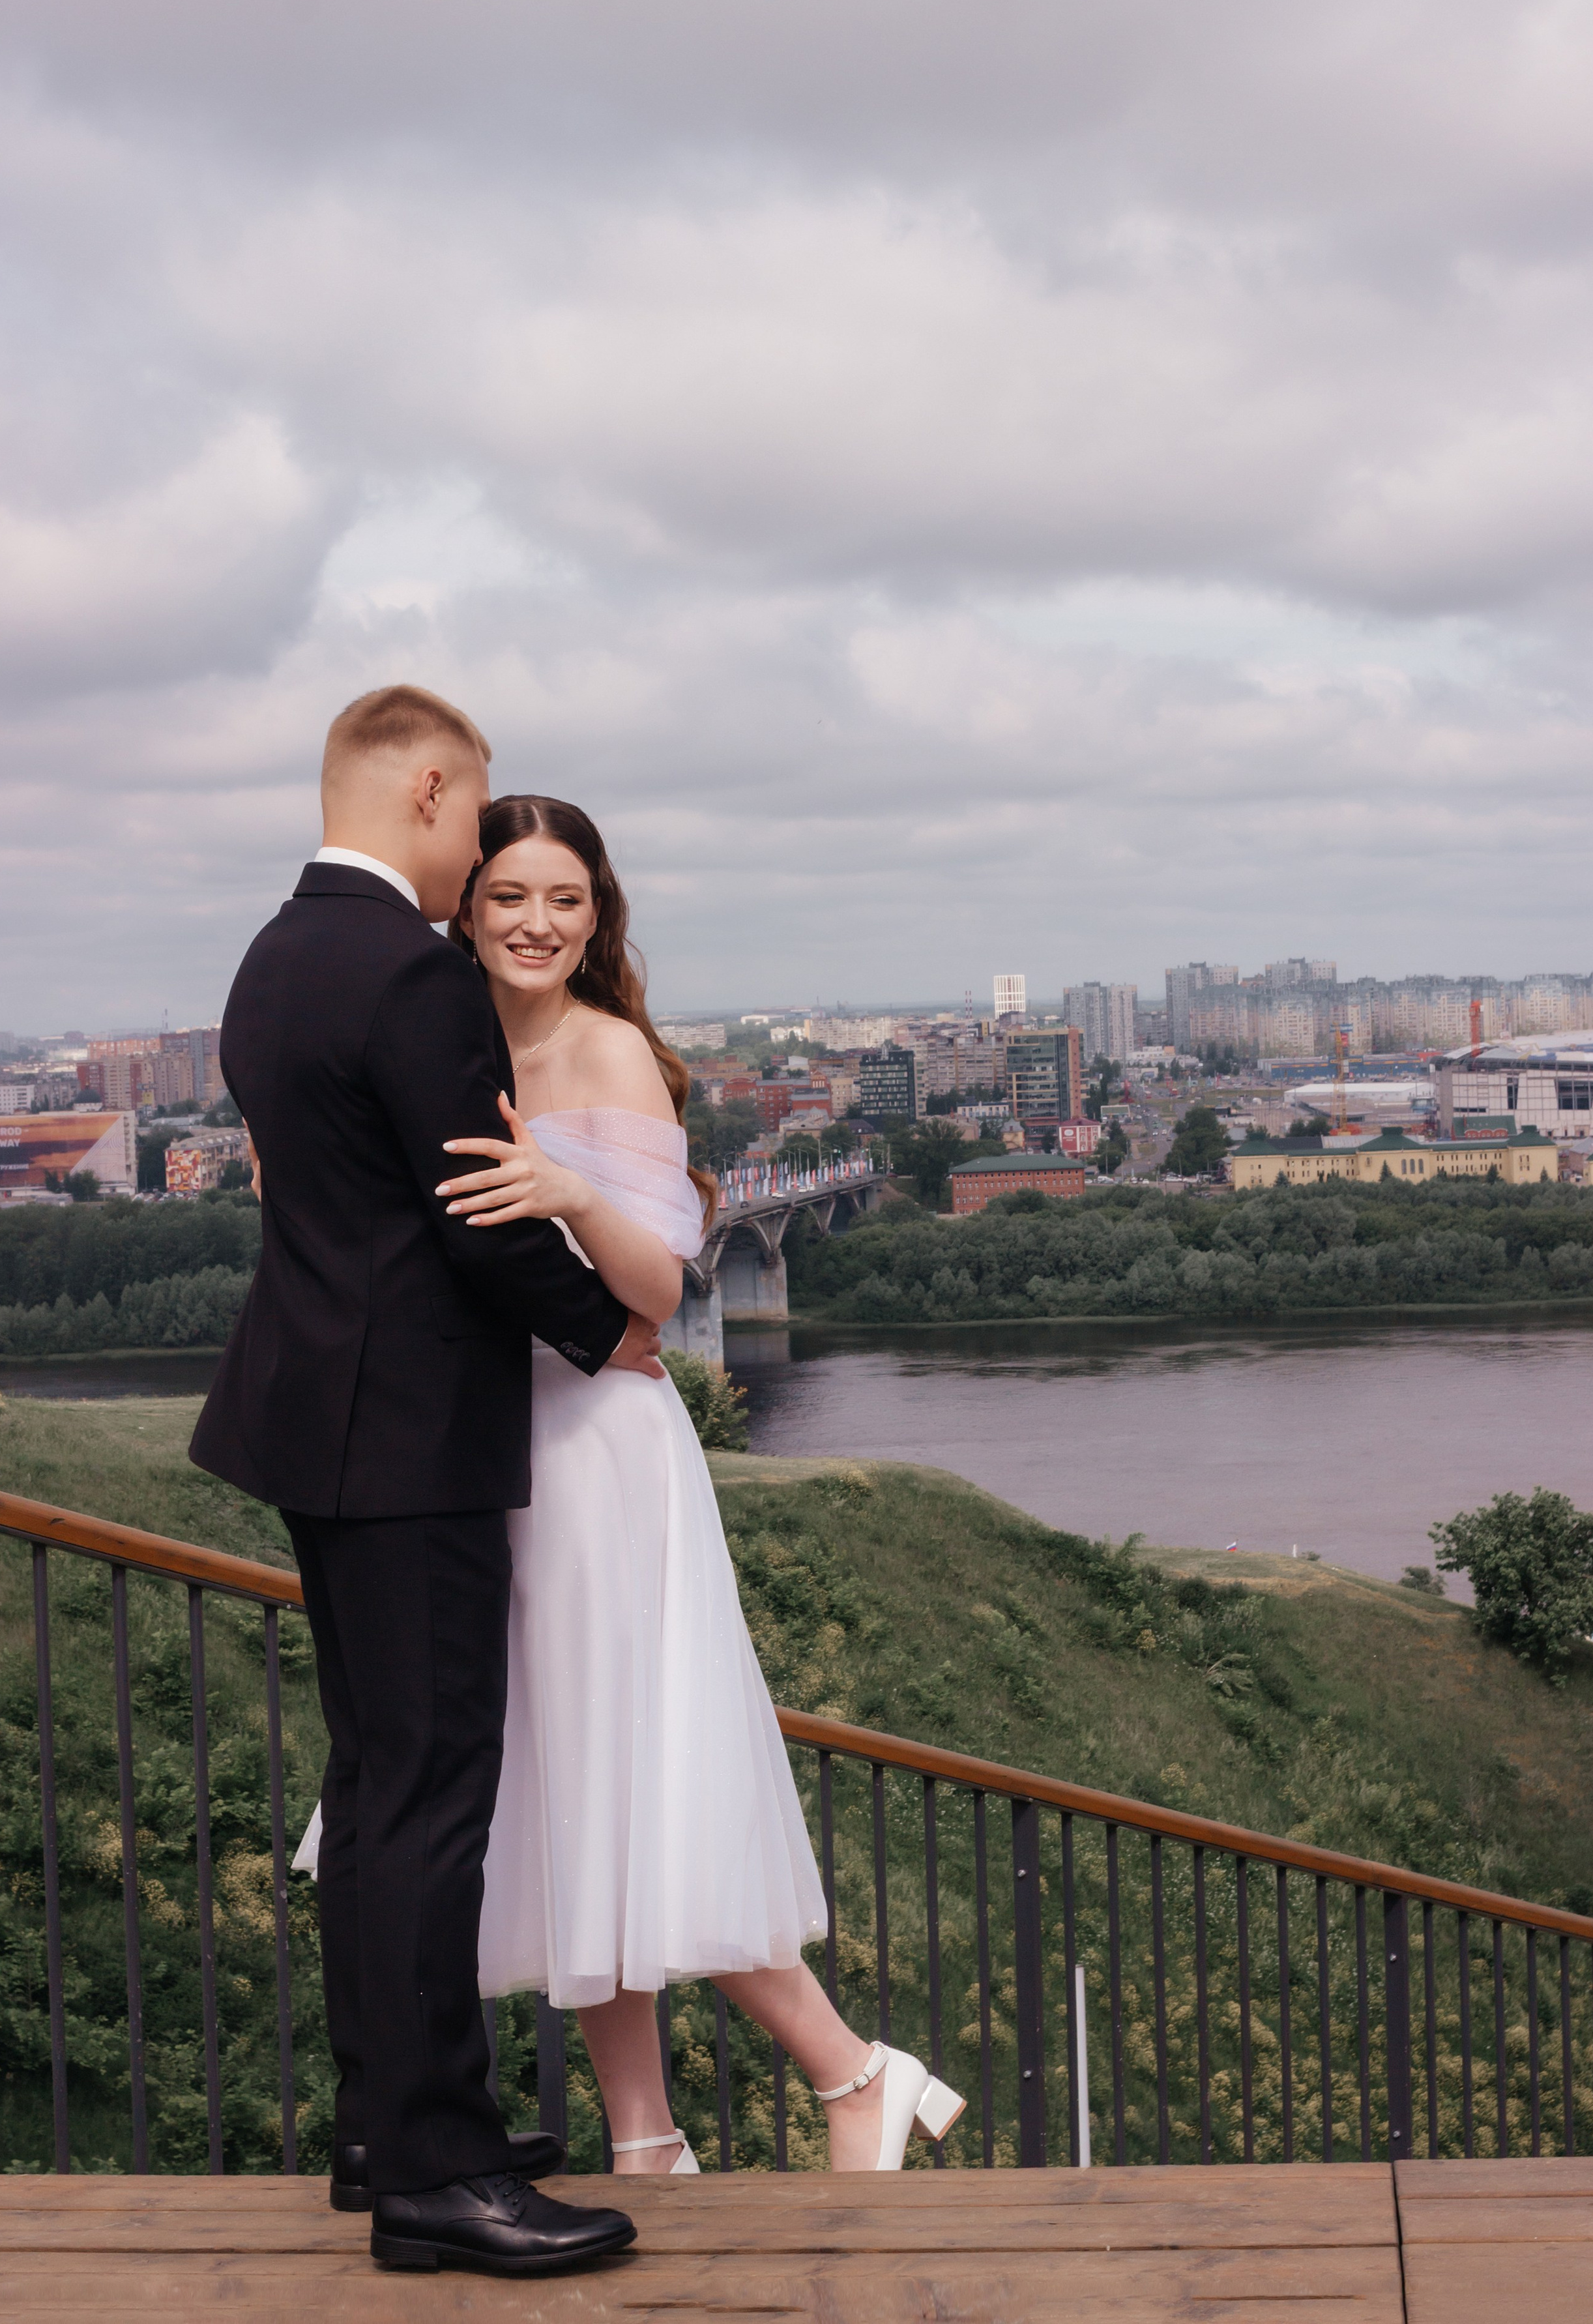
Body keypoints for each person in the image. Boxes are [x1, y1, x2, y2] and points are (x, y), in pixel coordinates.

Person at [411, 793, 965, 2173]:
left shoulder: (608, 1053)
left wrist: (565, 1189)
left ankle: (851, 2069)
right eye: (510, 898)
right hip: (503, 1444)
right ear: (466, 906)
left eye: (566, 900)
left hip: (601, 1447)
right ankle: (646, 2141)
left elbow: (660, 1289)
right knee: (571, 1790)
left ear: (597, 919)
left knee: (626, 1779)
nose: (537, 923)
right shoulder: (447, 1041)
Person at [191, 687, 652, 2278]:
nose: (478, 858)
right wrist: (616, 1331)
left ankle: (390, 2122)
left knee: (377, 1787)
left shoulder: (272, 957)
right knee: (428, 1795)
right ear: (435, 792)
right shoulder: (408, 972)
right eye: (477, 825)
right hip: (413, 1441)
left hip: (316, 1423)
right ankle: (437, 2176)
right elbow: (476, 1204)